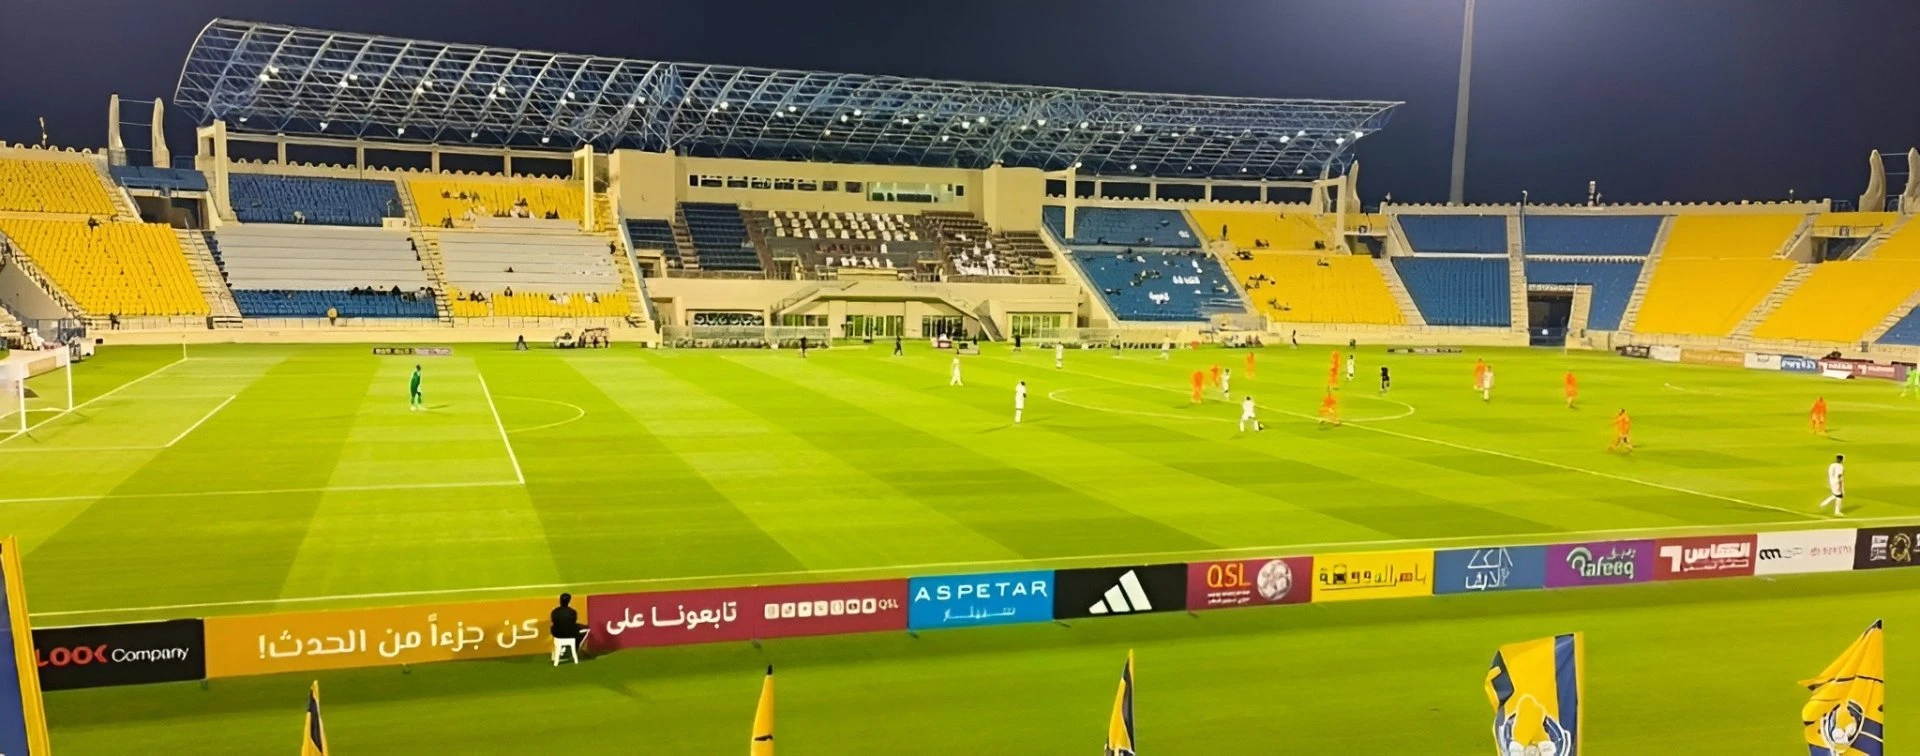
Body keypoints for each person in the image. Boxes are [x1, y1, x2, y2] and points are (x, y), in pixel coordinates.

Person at [550, 593, 588, 663]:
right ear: (569, 601)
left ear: (560, 600)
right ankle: (575, 649)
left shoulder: (554, 612)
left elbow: (553, 622)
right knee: (586, 629)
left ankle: (564, 650)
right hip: (570, 634)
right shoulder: (572, 612)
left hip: (557, 634)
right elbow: (573, 623)